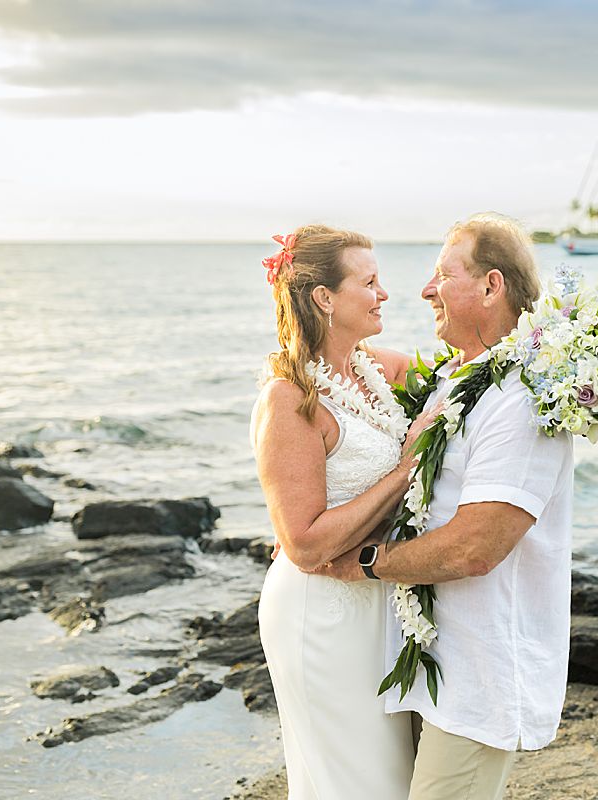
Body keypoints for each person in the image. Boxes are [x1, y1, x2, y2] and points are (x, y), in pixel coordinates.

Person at [316, 213, 575, 800]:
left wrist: (365, 563)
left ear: (491, 286)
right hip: (432, 662)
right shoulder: (459, 379)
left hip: (481, 676)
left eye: (442, 275)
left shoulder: (523, 397)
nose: (424, 290)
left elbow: (476, 545)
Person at [250, 224, 437, 799]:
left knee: (391, 778)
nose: (384, 293)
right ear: (324, 298)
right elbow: (303, 544)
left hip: (377, 602)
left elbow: (467, 380)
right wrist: (406, 469)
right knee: (354, 783)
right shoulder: (290, 398)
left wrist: (562, 361)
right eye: (371, 282)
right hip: (320, 614)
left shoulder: (383, 370)